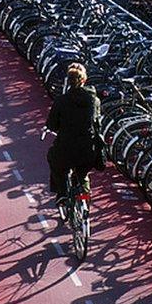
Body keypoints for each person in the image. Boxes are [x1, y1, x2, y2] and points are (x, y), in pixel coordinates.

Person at [46, 63, 105, 206]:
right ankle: (84, 201)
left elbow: (51, 124)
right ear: (84, 79)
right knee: (83, 174)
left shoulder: (61, 101)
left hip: (65, 148)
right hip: (88, 149)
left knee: (54, 159)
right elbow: (96, 123)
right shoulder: (94, 101)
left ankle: (62, 193)